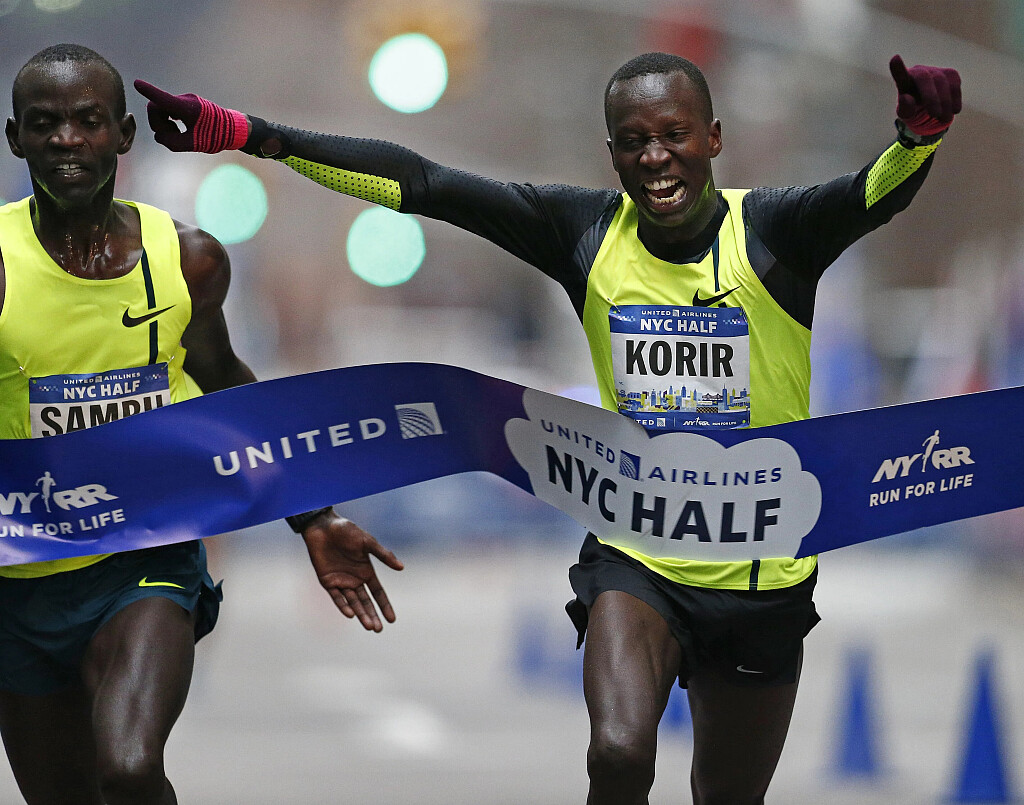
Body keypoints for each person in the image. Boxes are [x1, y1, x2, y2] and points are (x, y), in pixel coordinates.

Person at [136, 51, 961, 803]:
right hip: (639, 554)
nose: (655, 157)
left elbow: (870, 194)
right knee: (619, 751)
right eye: (633, 141)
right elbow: (425, 184)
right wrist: (255, 136)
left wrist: (917, 138)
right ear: (612, 155)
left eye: (674, 135)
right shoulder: (586, 232)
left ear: (712, 138)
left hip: (760, 572)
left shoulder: (776, 232)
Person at [0, 44, 403, 805]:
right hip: (22, 579)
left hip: (146, 558)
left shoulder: (186, 259)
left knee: (128, 765)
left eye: (88, 121)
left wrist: (313, 515)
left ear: (124, 135)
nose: (66, 140)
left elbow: (226, 387)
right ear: (15, 139)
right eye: (44, 124)